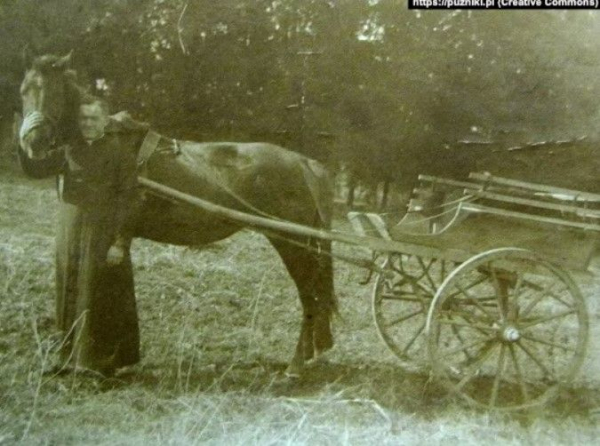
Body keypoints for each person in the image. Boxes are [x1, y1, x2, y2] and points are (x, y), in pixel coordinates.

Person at [30, 95, 141, 377]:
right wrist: (25, 142)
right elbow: (36, 168)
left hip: (102, 238)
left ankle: (101, 365)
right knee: (69, 293)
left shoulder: (120, 153)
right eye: (83, 119)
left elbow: (130, 200)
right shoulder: (70, 149)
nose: (88, 124)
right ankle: (68, 358)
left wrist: (120, 243)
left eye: (94, 119)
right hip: (70, 237)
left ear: (105, 121)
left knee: (101, 297)